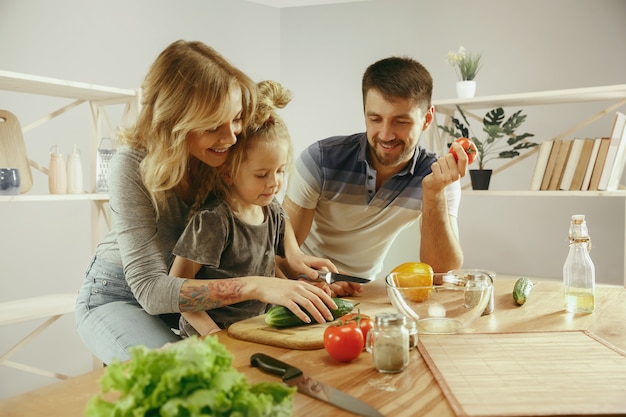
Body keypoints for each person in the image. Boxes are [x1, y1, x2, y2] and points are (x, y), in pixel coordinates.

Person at [74, 40, 337, 364]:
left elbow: (264, 199)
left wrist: (293, 256)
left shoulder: (219, 152)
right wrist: (257, 286)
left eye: (236, 118)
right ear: (174, 121)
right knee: (177, 380)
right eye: (214, 125)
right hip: (120, 295)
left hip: (194, 302)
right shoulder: (130, 166)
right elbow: (153, 291)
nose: (230, 137)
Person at [281, 56, 468, 297]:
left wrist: (433, 194)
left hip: (364, 292)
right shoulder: (320, 160)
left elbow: (442, 273)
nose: (386, 134)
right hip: (303, 285)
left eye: (401, 122)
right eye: (375, 119)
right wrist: (314, 281)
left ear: (427, 119)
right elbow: (281, 252)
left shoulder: (437, 177)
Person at [170, 80, 295, 337]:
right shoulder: (213, 222)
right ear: (228, 174)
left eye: (280, 171)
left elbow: (269, 272)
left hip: (253, 333)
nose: (274, 183)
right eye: (261, 175)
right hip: (210, 338)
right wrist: (215, 336)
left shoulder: (272, 212)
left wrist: (303, 295)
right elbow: (178, 290)